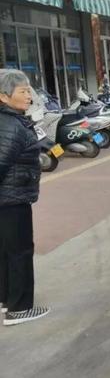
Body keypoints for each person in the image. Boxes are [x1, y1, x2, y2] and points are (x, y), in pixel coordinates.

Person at [0, 69, 50, 326]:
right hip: (12, 199)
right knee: (20, 251)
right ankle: (19, 309)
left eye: (29, 90)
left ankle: (7, 299)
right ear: (4, 97)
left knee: (6, 250)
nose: (28, 95)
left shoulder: (10, 121)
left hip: (7, 198)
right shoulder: (12, 126)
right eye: (22, 91)